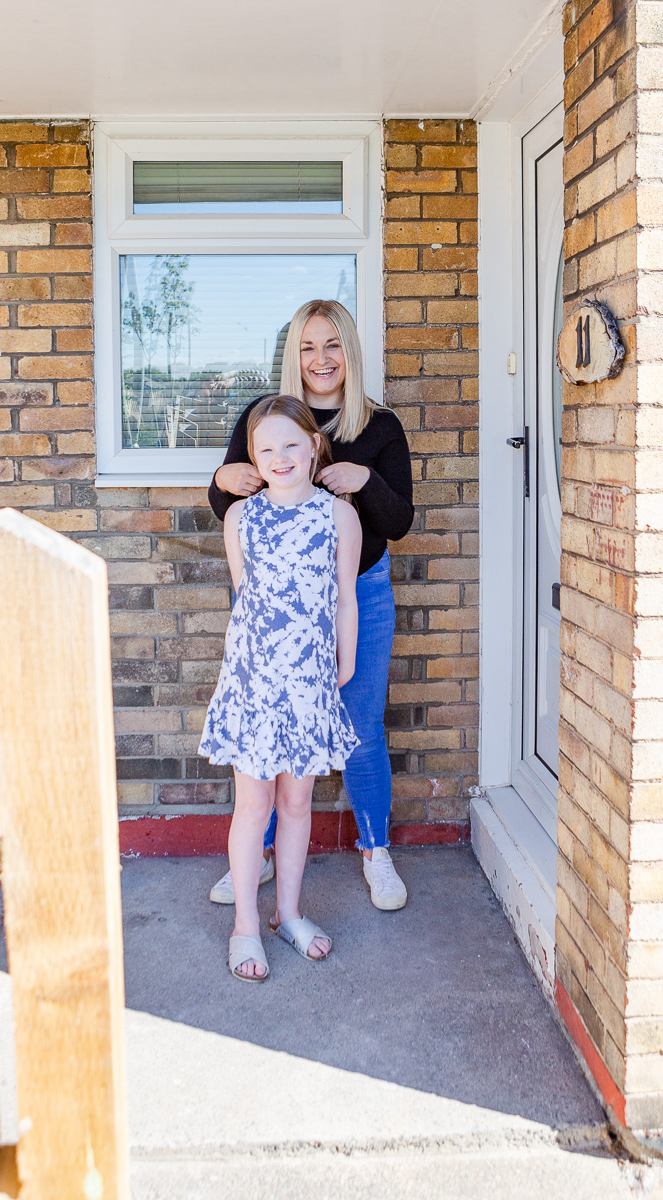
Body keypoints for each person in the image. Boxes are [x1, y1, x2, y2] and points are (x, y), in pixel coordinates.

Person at [207, 299, 414, 911]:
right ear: (293, 354)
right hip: (279, 611)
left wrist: (364, 481)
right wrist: (220, 481)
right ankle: (259, 856)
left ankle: (376, 851)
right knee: (269, 737)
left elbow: (399, 520)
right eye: (307, 346)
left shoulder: (380, 428)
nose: (320, 359)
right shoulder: (265, 417)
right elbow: (234, 504)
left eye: (332, 346)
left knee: (360, 727)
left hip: (360, 595)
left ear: (349, 352)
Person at [198, 394, 362, 981]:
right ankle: (246, 924)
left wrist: (342, 664)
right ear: (252, 457)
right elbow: (247, 600)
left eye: (292, 443)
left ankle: (288, 914)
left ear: (314, 445)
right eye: (265, 448)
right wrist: (253, 674)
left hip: (311, 684)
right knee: (254, 804)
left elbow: (345, 597)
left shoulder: (339, 516)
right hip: (254, 686)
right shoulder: (240, 518)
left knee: (297, 803)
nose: (280, 456)